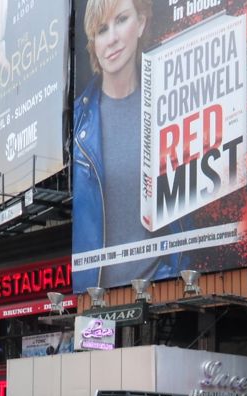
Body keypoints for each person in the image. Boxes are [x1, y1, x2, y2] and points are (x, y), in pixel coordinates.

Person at [73, 0, 178, 289]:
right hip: (96, 295)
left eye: (121, 20)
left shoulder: (170, 104)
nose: (113, 38)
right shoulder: (77, 122)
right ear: (93, 43)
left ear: (141, 22)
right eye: (102, 30)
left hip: (164, 285)